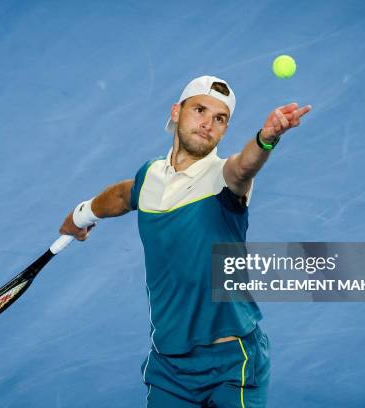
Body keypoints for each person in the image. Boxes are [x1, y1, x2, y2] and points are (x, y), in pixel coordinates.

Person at [58, 76, 311, 407]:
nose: (208, 124)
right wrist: (81, 216)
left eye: (219, 119)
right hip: (170, 365)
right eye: (200, 110)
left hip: (233, 364)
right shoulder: (149, 177)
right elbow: (121, 195)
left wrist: (266, 139)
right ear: (177, 112)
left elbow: (244, 167)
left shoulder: (224, 178)